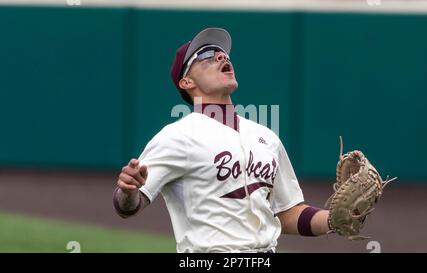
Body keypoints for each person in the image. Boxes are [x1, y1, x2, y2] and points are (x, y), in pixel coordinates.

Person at [112, 27, 330, 253]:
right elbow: (128, 207)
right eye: (206, 55)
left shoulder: (266, 137)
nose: (221, 56)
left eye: (223, 54)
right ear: (186, 82)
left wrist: (334, 220)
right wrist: (128, 191)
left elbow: (287, 212)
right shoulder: (177, 136)